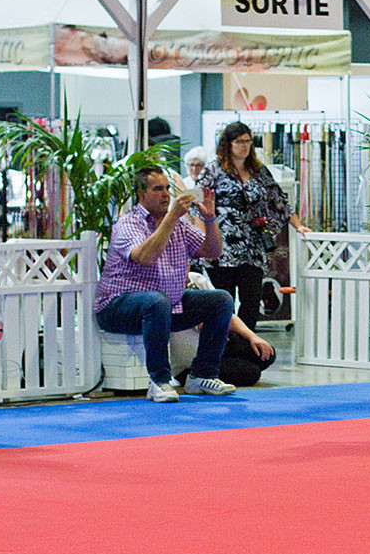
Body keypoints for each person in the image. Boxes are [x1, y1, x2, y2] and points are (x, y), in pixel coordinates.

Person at [94, 165, 237, 403]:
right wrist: (171, 217)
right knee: (156, 300)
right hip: (118, 307)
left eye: (168, 188)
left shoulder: (179, 225)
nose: (166, 194)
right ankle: (160, 381)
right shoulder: (128, 223)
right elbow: (145, 257)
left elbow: (213, 251)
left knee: (220, 300)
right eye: (157, 189)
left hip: (164, 305)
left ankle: (201, 375)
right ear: (141, 194)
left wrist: (209, 217)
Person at [197, 121, 310, 331]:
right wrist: (205, 242)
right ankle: (224, 345)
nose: (245, 146)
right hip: (223, 245)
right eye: (239, 141)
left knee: (252, 299)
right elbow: (200, 207)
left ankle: (244, 343)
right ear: (228, 144)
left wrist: (298, 225)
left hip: (252, 246)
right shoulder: (213, 170)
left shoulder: (259, 170)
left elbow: (278, 200)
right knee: (225, 301)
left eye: (248, 141)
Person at [170, 272, 277, 387]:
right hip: (189, 360)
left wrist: (253, 337)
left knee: (267, 353)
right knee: (251, 373)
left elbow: (227, 315)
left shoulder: (196, 279)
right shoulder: (164, 289)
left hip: (217, 344)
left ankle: (225, 363)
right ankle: (194, 375)